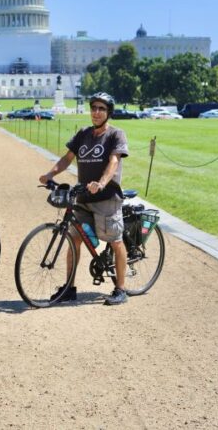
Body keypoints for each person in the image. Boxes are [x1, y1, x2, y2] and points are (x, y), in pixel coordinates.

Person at [38, 92, 130, 305]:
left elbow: (114, 161)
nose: (96, 112)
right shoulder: (83, 134)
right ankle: (69, 287)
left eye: (101, 109)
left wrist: (102, 183)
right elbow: (67, 159)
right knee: (74, 239)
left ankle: (121, 289)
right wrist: (50, 174)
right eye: (94, 108)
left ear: (108, 113)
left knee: (116, 241)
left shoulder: (116, 134)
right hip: (83, 198)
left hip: (107, 198)